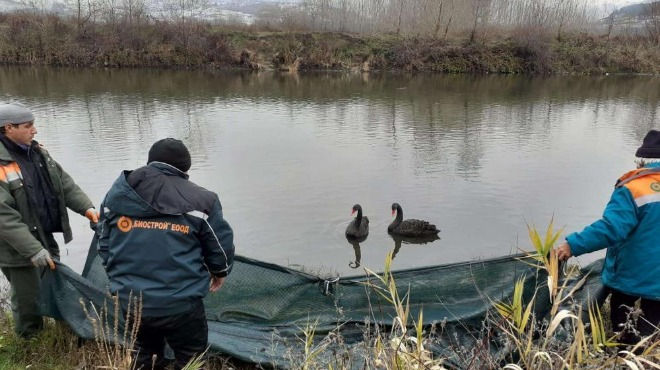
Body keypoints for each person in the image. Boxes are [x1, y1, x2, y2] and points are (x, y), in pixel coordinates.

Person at [97, 138, 235, 370]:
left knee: (142, 356)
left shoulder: (118, 194)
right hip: (181, 305)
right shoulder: (203, 200)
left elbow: (104, 245)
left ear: (150, 161)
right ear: (185, 168)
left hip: (132, 302)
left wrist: (119, 279)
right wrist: (220, 272)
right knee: (191, 360)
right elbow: (219, 247)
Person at [0, 102, 98, 338]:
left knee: (53, 289)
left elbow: (63, 183)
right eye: (28, 126)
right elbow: (4, 217)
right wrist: (33, 250)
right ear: (8, 128)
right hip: (17, 248)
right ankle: (30, 342)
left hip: (44, 236)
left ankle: (60, 334)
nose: (34, 130)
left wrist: (87, 207)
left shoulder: (38, 151)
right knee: (27, 297)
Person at [555, 129, 660, 345]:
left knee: (624, 332)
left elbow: (612, 228)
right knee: (651, 332)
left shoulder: (634, 189)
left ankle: (624, 356)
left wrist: (572, 245)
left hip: (631, 276)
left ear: (642, 162)